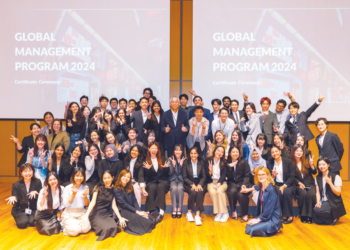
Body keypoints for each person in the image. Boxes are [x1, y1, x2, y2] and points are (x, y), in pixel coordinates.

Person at [81, 170, 127, 241]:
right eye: (105, 178)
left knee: (114, 227)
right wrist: (86, 215)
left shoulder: (113, 190)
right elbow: (92, 202)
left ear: (112, 178)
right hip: (96, 213)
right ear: (102, 179)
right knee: (106, 229)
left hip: (105, 214)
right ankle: (95, 224)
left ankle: (99, 225)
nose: (107, 180)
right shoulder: (98, 187)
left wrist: (120, 218)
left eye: (108, 178)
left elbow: (114, 206)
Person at [242, 166, 283, 237]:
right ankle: (265, 228)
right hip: (265, 216)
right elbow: (256, 187)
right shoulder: (262, 185)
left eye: (263, 174)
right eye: (259, 175)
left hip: (272, 219)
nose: (261, 176)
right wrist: (247, 190)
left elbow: (268, 211)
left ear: (268, 176)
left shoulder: (271, 191)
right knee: (248, 226)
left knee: (251, 229)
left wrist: (258, 220)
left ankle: (275, 228)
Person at [114, 169, 156, 235]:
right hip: (124, 211)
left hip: (133, 209)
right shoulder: (116, 189)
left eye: (128, 177)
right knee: (146, 222)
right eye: (124, 176)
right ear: (120, 176)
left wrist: (139, 211)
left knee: (151, 219)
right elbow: (124, 204)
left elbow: (135, 201)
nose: (126, 178)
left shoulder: (130, 187)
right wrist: (137, 212)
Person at [139, 142, 170, 224]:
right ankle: (148, 212)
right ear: (149, 149)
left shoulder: (162, 158)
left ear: (157, 150)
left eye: (155, 148)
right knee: (151, 188)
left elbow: (167, 173)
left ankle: (161, 213)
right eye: (152, 148)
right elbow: (143, 175)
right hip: (152, 181)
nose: (154, 150)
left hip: (163, 181)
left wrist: (166, 168)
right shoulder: (145, 160)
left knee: (161, 187)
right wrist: (148, 169)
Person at [6, 163, 42, 229]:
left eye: (30, 170)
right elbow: (15, 197)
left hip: (33, 208)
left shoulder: (38, 182)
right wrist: (14, 198)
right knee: (22, 224)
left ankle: (29, 217)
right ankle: (24, 217)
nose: (28, 173)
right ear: (21, 173)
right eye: (25, 171)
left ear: (33, 171)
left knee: (32, 223)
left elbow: (42, 196)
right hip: (21, 209)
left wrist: (37, 193)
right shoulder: (16, 184)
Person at [314, 157, 346, 225]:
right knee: (316, 219)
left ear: (328, 164)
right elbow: (317, 192)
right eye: (319, 165)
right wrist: (318, 202)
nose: (321, 166)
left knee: (317, 211)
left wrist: (330, 183)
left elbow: (338, 193)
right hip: (323, 201)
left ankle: (333, 215)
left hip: (332, 201)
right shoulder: (317, 177)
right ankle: (332, 218)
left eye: (323, 164)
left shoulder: (335, 176)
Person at [267, 146, 295, 224]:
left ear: (280, 152)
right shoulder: (269, 162)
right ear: (271, 154)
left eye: (276, 151)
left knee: (286, 193)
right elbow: (269, 178)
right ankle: (278, 215)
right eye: (272, 152)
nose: (275, 153)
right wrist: (273, 176)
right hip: (275, 183)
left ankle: (289, 216)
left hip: (287, 183)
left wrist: (284, 186)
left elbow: (292, 176)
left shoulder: (288, 161)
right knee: (278, 193)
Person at [290, 145, 317, 223]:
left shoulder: (306, 160)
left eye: (301, 151)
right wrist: (299, 183)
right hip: (298, 184)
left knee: (311, 195)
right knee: (303, 193)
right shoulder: (290, 162)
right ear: (293, 152)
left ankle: (310, 216)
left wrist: (312, 165)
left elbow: (314, 172)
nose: (299, 153)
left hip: (310, 183)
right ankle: (303, 214)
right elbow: (291, 176)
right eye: (297, 151)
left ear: (303, 152)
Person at [61, 167, 91, 237]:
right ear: (73, 176)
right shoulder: (68, 188)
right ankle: (65, 227)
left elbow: (86, 204)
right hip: (70, 213)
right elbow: (65, 204)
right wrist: (73, 194)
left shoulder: (85, 187)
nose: (79, 178)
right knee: (75, 231)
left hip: (81, 213)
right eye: (77, 176)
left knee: (86, 229)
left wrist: (85, 196)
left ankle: (74, 225)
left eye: (81, 176)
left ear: (84, 177)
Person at [182, 146, 207, 226]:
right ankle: (189, 213)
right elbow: (184, 177)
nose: (193, 155)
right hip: (189, 182)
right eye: (191, 153)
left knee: (200, 191)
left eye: (195, 153)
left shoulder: (201, 162)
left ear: (198, 154)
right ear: (189, 154)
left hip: (200, 182)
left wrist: (199, 184)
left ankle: (197, 215)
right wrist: (192, 184)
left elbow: (204, 176)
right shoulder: (186, 162)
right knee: (192, 192)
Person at [226, 146, 251, 222]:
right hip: (232, 182)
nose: (235, 154)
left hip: (243, 182)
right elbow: (226, 175)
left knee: (241, 194)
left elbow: (247, 175)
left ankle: (244, 214)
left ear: (239, 153)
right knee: (231, 192)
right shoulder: (227, 163)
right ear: (230, 153)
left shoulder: (243, 162)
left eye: (236, 152)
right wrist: (230, 167)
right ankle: (233, 211)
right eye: (233, 152)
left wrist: (244, 184)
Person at [205, 146, 229, 222]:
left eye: (222, 152)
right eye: (218, 151)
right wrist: (210, 171)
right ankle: (218, 212)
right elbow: (206, 175)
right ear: (215, 151)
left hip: (222, 181)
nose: (219, 153)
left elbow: (224, 174)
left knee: (219, 191)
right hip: (211, 181)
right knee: (212, 192)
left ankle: (225, 212)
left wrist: (219, 184)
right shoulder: (208, 160)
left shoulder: (224, 161)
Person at [168, 144, 186, 218]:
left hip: (181, 179)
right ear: (174, 151)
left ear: (182, 151)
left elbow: (185, 173)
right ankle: (174, 208)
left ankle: (179, 208)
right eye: (176, 150)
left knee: (180, 189)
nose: (177, 152)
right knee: (174, 189)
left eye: (179, 150)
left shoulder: (185, 159)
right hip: (173, 179)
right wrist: (174, 166)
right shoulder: (170, 159)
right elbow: (169, 173)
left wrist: (181, 165)